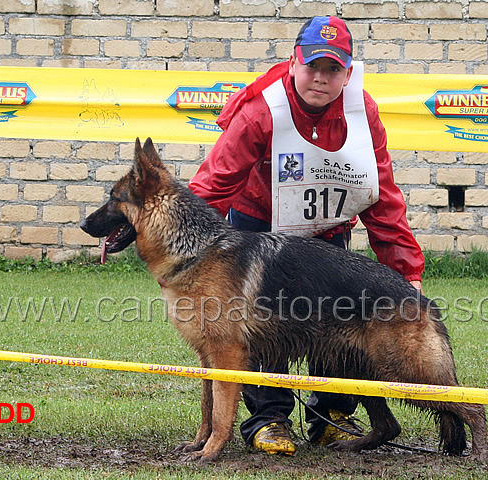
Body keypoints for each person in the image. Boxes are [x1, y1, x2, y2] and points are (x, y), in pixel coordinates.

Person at [189, 15, 424, 455]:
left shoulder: (362, 112)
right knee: (262, 330)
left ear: (348, 72)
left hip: (325, 231)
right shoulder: (260, 109)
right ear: (293, 61)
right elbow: (214, 185)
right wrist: (182, 252)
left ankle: (332, 416)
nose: (321, 77)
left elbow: (382, 196)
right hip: (258, 229)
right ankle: (269, 419)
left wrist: (405, 269)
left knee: (338, 327)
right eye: (313, 65)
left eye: (333, 68)